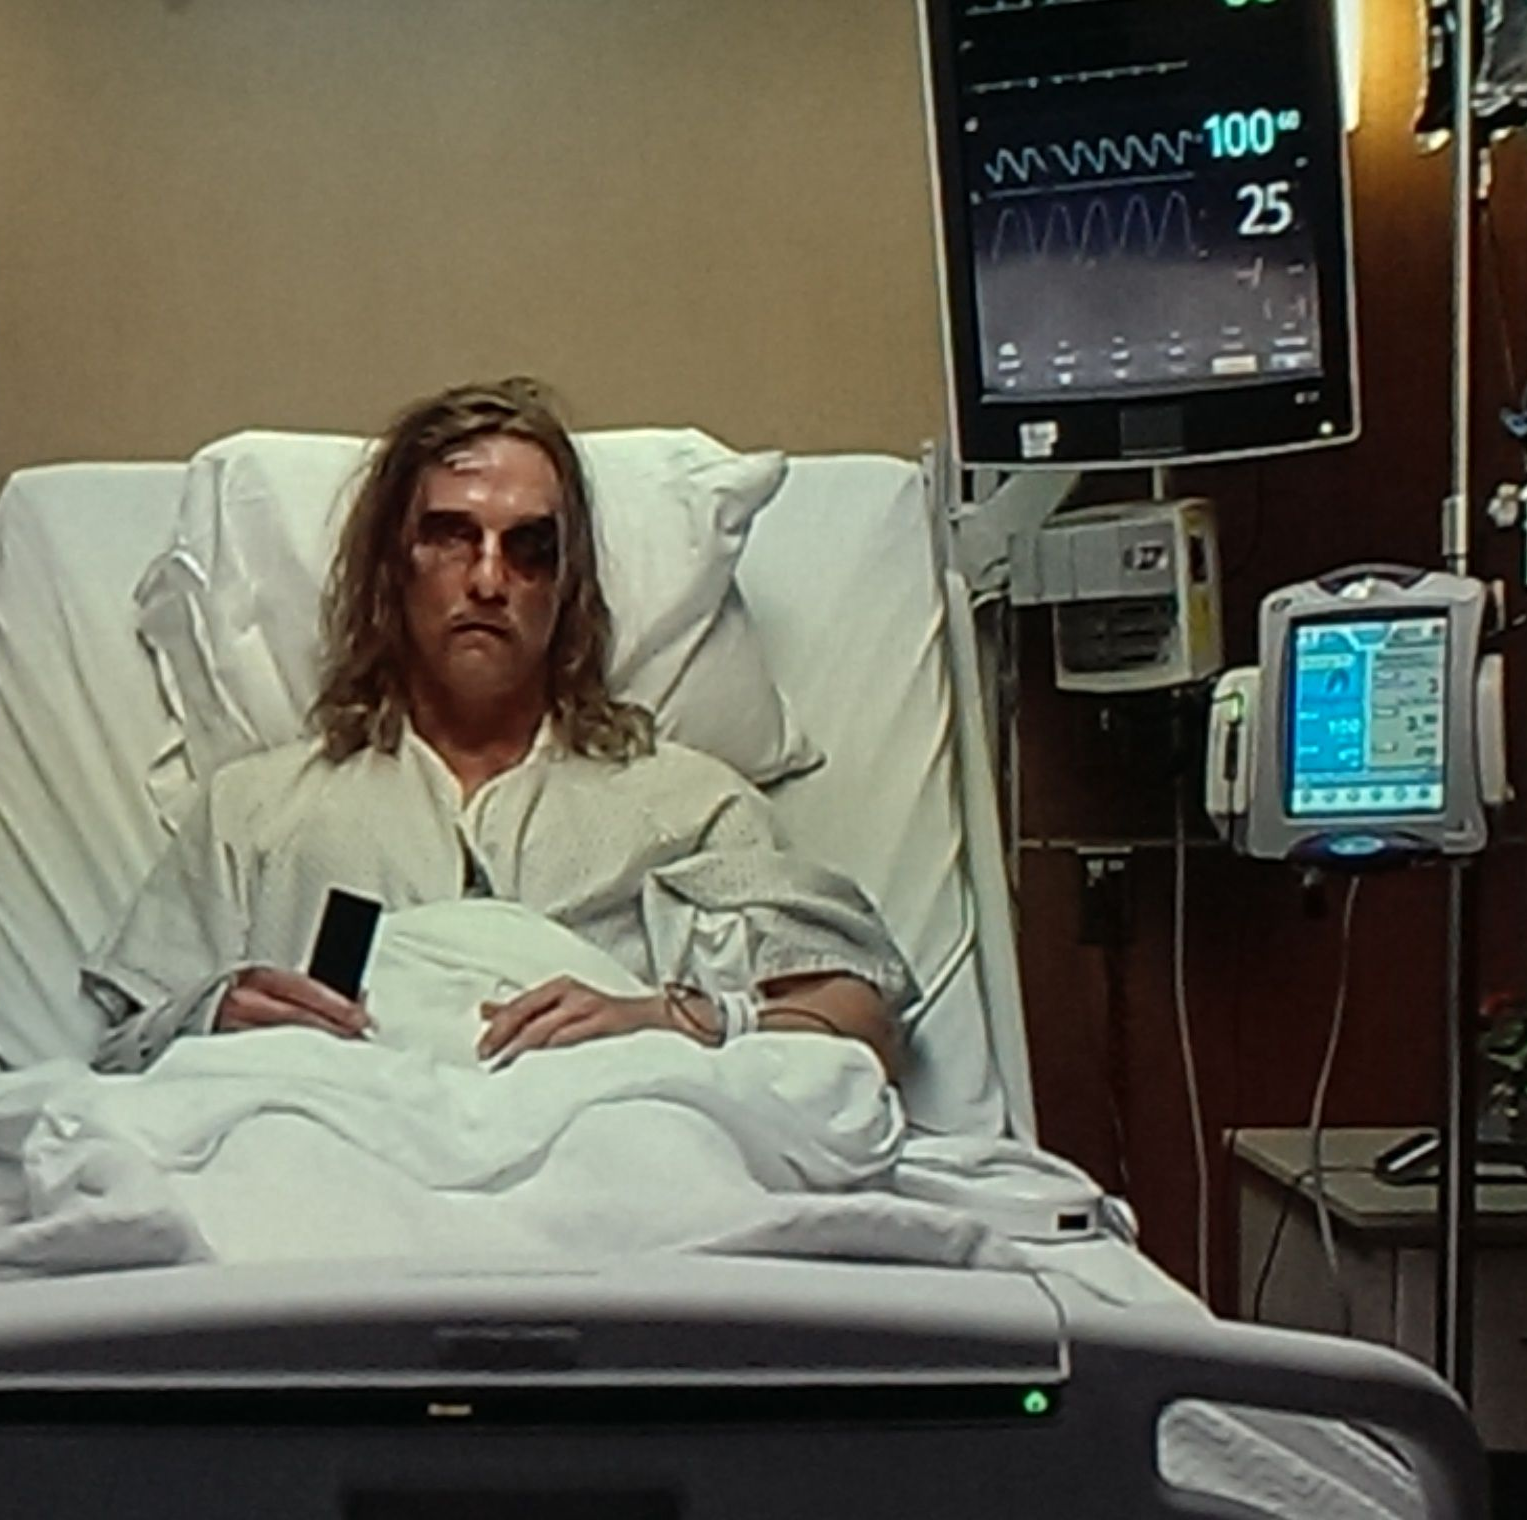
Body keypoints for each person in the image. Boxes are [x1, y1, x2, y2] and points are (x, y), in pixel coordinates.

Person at [83, 378, 917, 1076]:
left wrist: (662, 1020)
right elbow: (115, 1061)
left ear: (568, 589)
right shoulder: (255, 813)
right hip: (337, 1171)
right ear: (390, 569)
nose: (488, 580)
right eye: (451, 537)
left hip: (608, 1176)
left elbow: (863, 1030)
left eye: (530, 548)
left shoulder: (689, 808)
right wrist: (213, 1018)